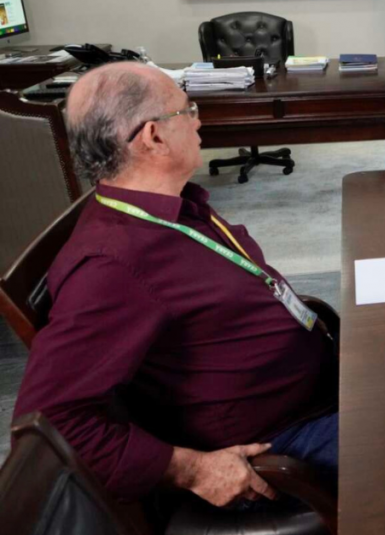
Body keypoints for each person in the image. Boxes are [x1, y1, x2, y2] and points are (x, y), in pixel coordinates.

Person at [13, 63, 337, 507]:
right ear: (154, 137)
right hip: (285, 440)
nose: (199, 121)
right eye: (188, 110)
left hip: (315, 389)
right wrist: (190, 468)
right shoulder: (110, 266)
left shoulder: (167, 205)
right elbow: (47, 422)